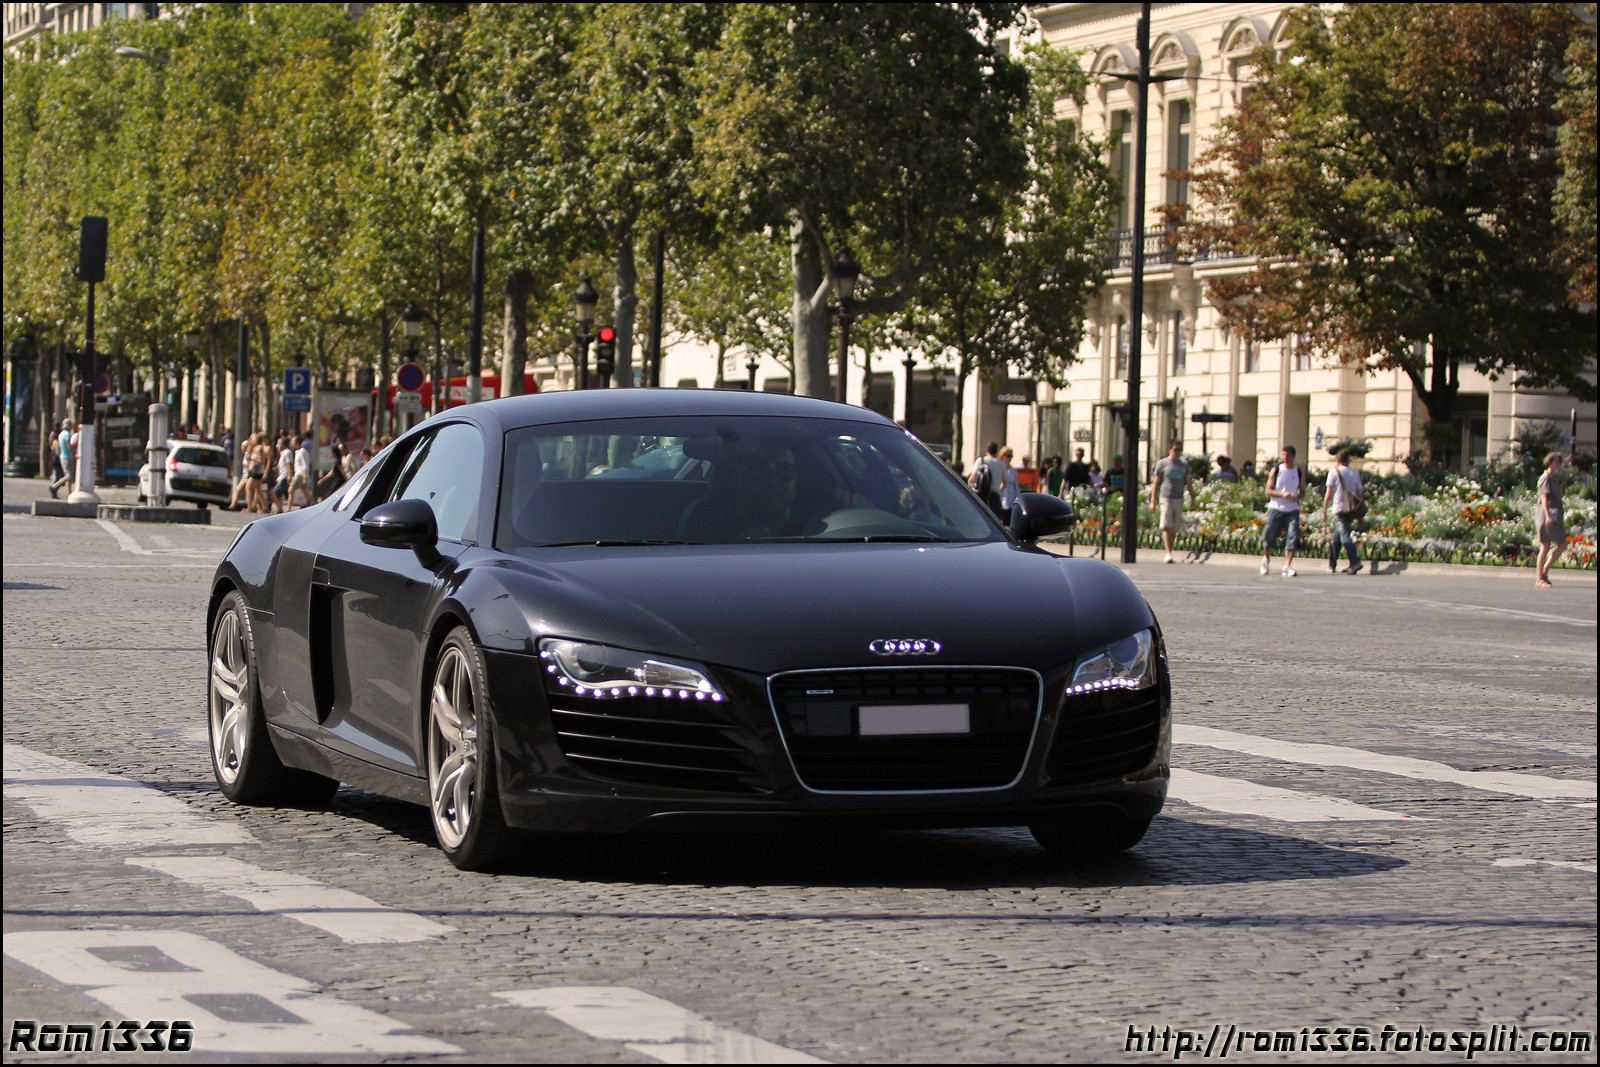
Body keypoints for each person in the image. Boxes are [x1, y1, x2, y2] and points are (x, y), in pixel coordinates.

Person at [1150, 439, 1196, 563]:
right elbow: (1156, 483)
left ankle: (1171, 549)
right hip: (1166, 497)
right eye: (1175, 449)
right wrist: (1153, 500)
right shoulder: (1162, 463)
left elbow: (1188, 482)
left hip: (1178, 497)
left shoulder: (1184, 465)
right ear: (1170, 449)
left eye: (1179, 450)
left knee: (1174, 526)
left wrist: (1192, 498)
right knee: (1166, 524)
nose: (1177, 452)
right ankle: (1168, 552)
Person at [1261, 445, 1304, 577]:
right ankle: (1266, 559)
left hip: (1292, 509)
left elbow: (1302, 491)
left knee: (1292, 536)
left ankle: (1287, 566)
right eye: (1283, 455)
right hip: (1276, 508)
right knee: (1269, 535)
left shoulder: (1298, 472)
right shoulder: (1276, 470)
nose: (1285, 457)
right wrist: (1282, 494)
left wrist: (1298, 496)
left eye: (1288, 455)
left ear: (1293, 456)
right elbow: (1268, 490)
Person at [1322, 449, 1364, 575]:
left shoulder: (1334, 472)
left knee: (1344, 536)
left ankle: (1355, 561)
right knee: (1337, 537)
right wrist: (1360, 513)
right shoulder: (1354, 473)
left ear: (1337, 459)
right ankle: (1332, 564)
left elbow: (1328, 494)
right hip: (1351, 509)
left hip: (1339, 508)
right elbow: (1360, 493)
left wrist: (1324, 510)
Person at [1535, 451, 1566, 588]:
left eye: (1559, 462)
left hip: (1555, 514)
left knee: (1562, 544)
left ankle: (1545, 571)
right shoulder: (1545, 478)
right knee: (1545, 545)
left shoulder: (1553, 478)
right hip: (1546, 514)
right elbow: (1544, 498)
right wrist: (1547, 516)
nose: (1558, 464)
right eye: (1555, 461)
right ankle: (1539, 578)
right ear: (1549, 462)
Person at [970, 441, 1007, 518]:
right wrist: (998, 490)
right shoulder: (1001, 464)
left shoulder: (981, 460)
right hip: (995, 496)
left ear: (987, 450)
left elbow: (972, 478)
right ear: (996, 451)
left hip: (981, 495)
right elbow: (1005, 482)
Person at [49, 418, 73, 498]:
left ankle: (69, 493)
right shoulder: (67, 434)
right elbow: (68, 446)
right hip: (67, 456)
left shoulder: (61, 434)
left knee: (68, 476)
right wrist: (74, 448)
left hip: (62, 455)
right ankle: (54, 486)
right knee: (68, 475)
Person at [998, 446, 1021, 511]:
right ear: (1002, 456)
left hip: (1011, 500)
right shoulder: (999, 469)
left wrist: (1018, 499)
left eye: (1011, 456)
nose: (1010, 458)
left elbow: (1016, 486)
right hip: (1001, 499)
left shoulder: (1014, 470)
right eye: (1008, 456)